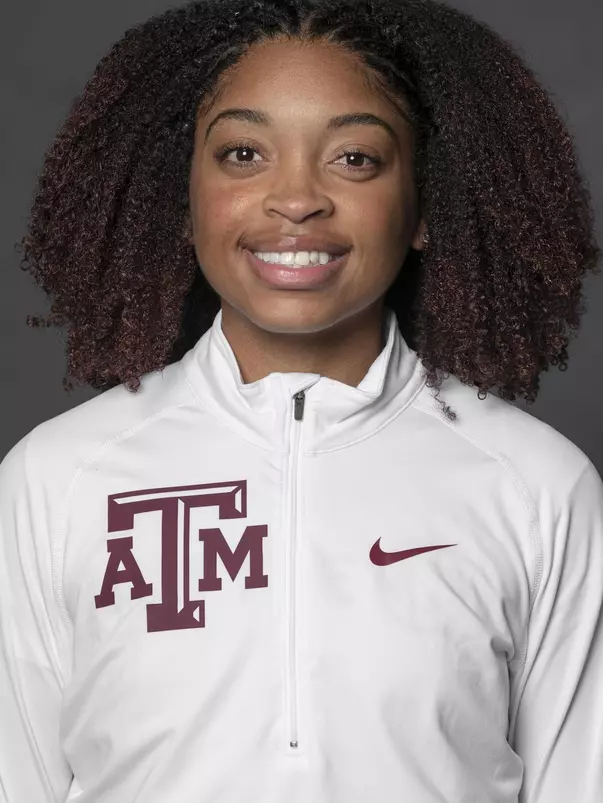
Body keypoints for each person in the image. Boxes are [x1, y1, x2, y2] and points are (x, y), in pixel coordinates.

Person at [1, 0, 602, 800]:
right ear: (180, 199)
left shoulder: (536, 485)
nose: (295, 198)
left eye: (354, 158)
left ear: (422, 206)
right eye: (243, 152)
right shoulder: (59, 476)